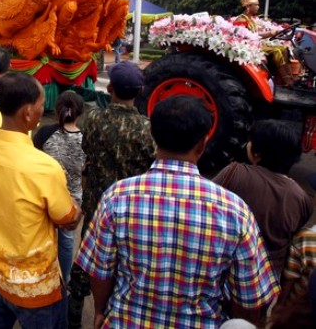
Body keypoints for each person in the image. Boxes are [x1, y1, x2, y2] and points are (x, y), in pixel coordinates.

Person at [75, 95, 280, 328]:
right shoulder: (234, 210)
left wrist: (100, 310)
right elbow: (249, 297)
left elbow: (101, 270)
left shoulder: (117, 197)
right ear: (203, 143)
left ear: (152, 134)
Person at [0, 72, 82, 328]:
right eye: (42, 105)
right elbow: (67, 218)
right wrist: (77, 210)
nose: (45, 110)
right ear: (28, 113)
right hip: (36, 287)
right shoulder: (44, 167)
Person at [68, 60, 156, 328]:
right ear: (139, 91)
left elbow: (86, 148)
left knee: (86, 265)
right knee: (126, 264)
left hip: (97, 207)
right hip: (134, 211)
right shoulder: (147, 128)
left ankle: (72, 320)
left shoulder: (93, 119)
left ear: (112, 89)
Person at [214, 119, 313, 276]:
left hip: (224, 270)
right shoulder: (301, 198)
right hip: (268, 278)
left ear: (256, 154)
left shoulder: (233, 173)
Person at [32, 90, 85, 284]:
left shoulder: (46, 133)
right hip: (72, 200)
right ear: (79, 113)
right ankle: (64, 278)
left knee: (41, 238)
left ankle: (41, 276)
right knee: (67, 240)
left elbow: (32, 162)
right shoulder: (85, 138)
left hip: (44, 197)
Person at [234, 0, 294, 85]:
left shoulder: (251, 19)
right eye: (256, 5)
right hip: (248, 46)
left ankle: (290, 78)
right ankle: (287, 81)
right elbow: (252, 36)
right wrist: (271, 33)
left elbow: (256, 35)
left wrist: (274, 32)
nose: (258, 7)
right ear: (248, 7)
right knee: (277, 51)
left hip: (256, 43)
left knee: (284, 48)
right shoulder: (241, 19)